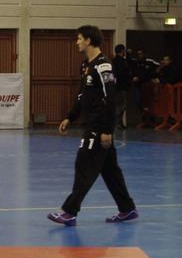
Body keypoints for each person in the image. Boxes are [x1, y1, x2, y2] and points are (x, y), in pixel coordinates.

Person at [48, 26, 139, 226]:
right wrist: (70, 117)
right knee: (110, 170)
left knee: (84, 166)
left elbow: (110, 99)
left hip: (98, 127)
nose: (77, 42)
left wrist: (107, 130)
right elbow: (83, 96)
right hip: (90, 123)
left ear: (88, 40)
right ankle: (127, 209)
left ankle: (69, 211)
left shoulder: (103, 66)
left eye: (79, 39)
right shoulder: (86, 66)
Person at [112, 44, 131, 129]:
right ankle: (117, 123)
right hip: (121, 86)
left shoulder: (113, 61)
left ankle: (119, 122)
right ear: (122, 51)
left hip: (116, 86)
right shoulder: (121, 61)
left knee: (118, 105)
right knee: (121, 105)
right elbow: (122, 73)